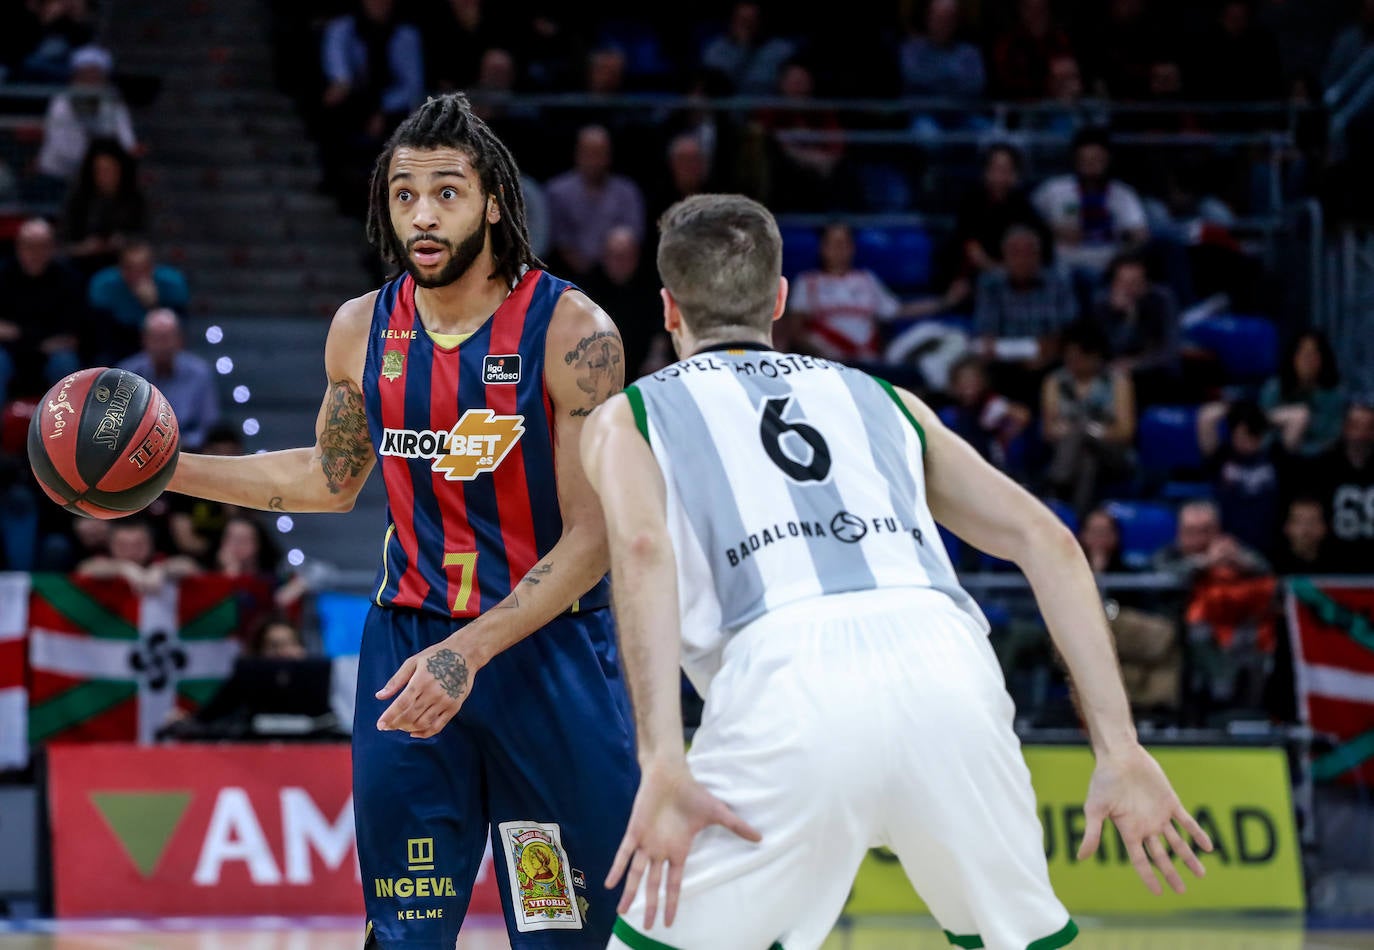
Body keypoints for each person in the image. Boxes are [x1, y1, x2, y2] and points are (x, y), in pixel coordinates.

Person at [582, 194, 1211, 950]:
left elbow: (644, 555)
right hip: (949, 667)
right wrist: (1118, 748)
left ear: (668, 307)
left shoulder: (631, 414)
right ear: (780, 297)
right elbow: (1050, 542)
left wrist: (662, 759)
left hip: (784, 682)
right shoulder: (886, 400)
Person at [159, 93, 637, 947]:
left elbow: (593, 540)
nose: (423, 215)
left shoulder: (572, 331)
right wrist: (169, 469)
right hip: (409, 653)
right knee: (405, 932)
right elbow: (328, 480)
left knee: (558, 934)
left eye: (447, 193)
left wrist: (469, 651)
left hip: (544, 661)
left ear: (494, 201)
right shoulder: (360, 329)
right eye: (404, 194)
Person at [0, 217, 84, 404]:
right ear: (18, 247)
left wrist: (18, 333)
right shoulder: (4, 274)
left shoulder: (68, 277)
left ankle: (66, 431)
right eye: (29, 246)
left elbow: (70, 334)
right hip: (11, 352)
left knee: (66, 363)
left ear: (52, 248)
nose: (35, 253)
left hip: (52, 354)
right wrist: (39, 339)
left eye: (42, 246)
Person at [118, 309, 221, 451]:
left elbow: (209, 425)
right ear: (144, 340)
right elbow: (120, 426)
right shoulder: (127, 374)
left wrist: (176, 445)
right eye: (156, 339)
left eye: (167, 338)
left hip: (188, 451)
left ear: (180, 340)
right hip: (139, 451)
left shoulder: (199, 373)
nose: (162, 346)